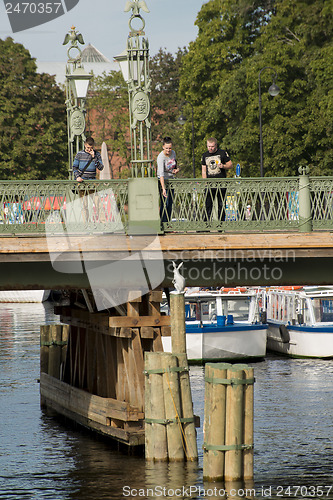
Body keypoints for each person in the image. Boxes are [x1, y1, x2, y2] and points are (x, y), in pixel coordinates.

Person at [72, 137, 104, 221]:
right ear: (85, 145)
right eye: (88, 147)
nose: (89, 149)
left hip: (92, 182)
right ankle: (86, 224)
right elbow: (74, 167)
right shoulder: (79, 154)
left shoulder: (97, 154)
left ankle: (104, 223)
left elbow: (101, 168)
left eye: (91, 148)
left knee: (98, 204)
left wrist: (94, 157)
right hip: (82, 182)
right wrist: (77, 177)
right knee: (84, 205)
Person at [201, 137, 233, 222]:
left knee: (221, 204)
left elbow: (230, 165)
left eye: (212, 146)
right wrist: (205, 183)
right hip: (209, 184)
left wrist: (224, 166)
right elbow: (204, 170)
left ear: (216, 145)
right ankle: (206, 225)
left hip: (221, 183)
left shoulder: (222, 153)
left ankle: (221, 225)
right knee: (208, 205)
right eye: (208, 146)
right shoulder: (205, 155)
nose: (210, 148)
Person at [157, 137, 179, 223]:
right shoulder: (160, 157)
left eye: (170, 148)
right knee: (164, 203)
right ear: (163, 147)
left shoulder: (173, 153)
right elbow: (161, 174)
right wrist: (163, 189)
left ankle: (168, 223)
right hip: (163, 181)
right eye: (166, 148)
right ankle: (163, 223)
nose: (168, 150)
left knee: (170, 203)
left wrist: (176, 170)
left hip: (171, 180)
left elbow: (175, 165)